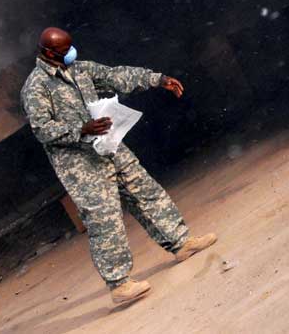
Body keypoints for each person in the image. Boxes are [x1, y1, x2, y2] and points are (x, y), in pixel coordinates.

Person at [20, 27, 217, 304]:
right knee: (105, 221)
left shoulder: (79, 69)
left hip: (111, 148)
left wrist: (156, 79)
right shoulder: (36, 88)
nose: (71, 54)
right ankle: (119, 284)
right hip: (80, 165)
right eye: (65, 51)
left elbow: (114, 76)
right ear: (48, 53)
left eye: (71, 47)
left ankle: (181, 243)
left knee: (146, 193)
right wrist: (82, 128)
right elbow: (42, 129)